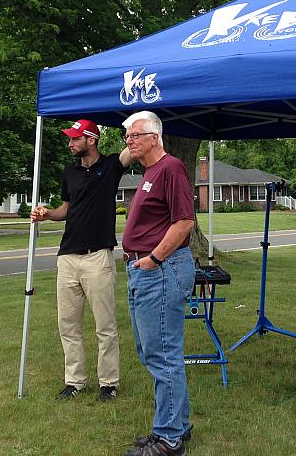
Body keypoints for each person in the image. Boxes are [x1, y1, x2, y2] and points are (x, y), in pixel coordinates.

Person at [31, 119, 131, 402]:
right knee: (68, 325)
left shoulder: (111, 166)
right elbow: (67, 208)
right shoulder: (69, 172)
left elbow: (132, 148)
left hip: (98, 256)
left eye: (75, 139)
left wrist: (133, 121)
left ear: (91, 139)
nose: (70, 144)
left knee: (105, 326)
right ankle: (75, 382)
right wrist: (48, 214)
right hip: (67, 258)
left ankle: (108, 383)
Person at [121, 111, 196, 456]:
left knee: (163, 355)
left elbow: (183, 223)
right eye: (127, 136)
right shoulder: (150, 172)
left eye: (134, 135)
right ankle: (176, 425)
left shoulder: (171, 168)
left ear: (154, 137)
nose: (129, 141)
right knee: (155, 353)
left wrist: (154, 258)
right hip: (145, 269)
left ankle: (168, 440)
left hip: (161, 270)